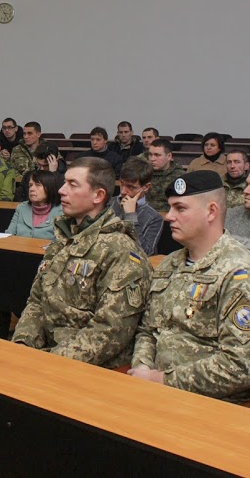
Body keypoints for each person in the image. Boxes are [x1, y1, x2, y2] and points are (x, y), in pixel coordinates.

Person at [128, 171, 250, 402]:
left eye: (180, 208)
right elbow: (148, 331)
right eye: (170, 207)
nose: (169, 216)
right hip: (154, 390)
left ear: (211, 211)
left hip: (215, 403)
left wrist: (162, 380)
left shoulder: (244, 274)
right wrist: (141, 369)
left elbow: (240, 367)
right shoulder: (169, 264)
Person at [12, 157, 150, 368]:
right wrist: (22, 344)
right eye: (64, 182)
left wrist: (47, 362)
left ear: (98, 195)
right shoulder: (63, 240)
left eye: (72, 184)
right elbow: (37, 302)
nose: (61, 190)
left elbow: (109, 331)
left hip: (90, 367)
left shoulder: (120, 250)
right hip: (47, 357)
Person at [109, 158, 163, 255]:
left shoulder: (154, 218)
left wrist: (131, 216)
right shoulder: (108, 203)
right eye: (122, 184)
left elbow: (146, 252)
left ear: (146, 187)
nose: (123, 191)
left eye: (131, 187)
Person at [5, 170, 63, 239]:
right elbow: (8, 235)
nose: (31, 189)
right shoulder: (21, 208)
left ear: (50, 188)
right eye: (30, 185)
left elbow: (62, 242)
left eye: (38, 185)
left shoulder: (62, 210)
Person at [142, 138, 186, 213]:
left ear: (169, 156)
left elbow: (181, 204)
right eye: (150, 155)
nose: (152, 159)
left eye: (157, 155)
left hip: (168, 218)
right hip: (144, 216)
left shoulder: (179, 176)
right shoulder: (144, 172)